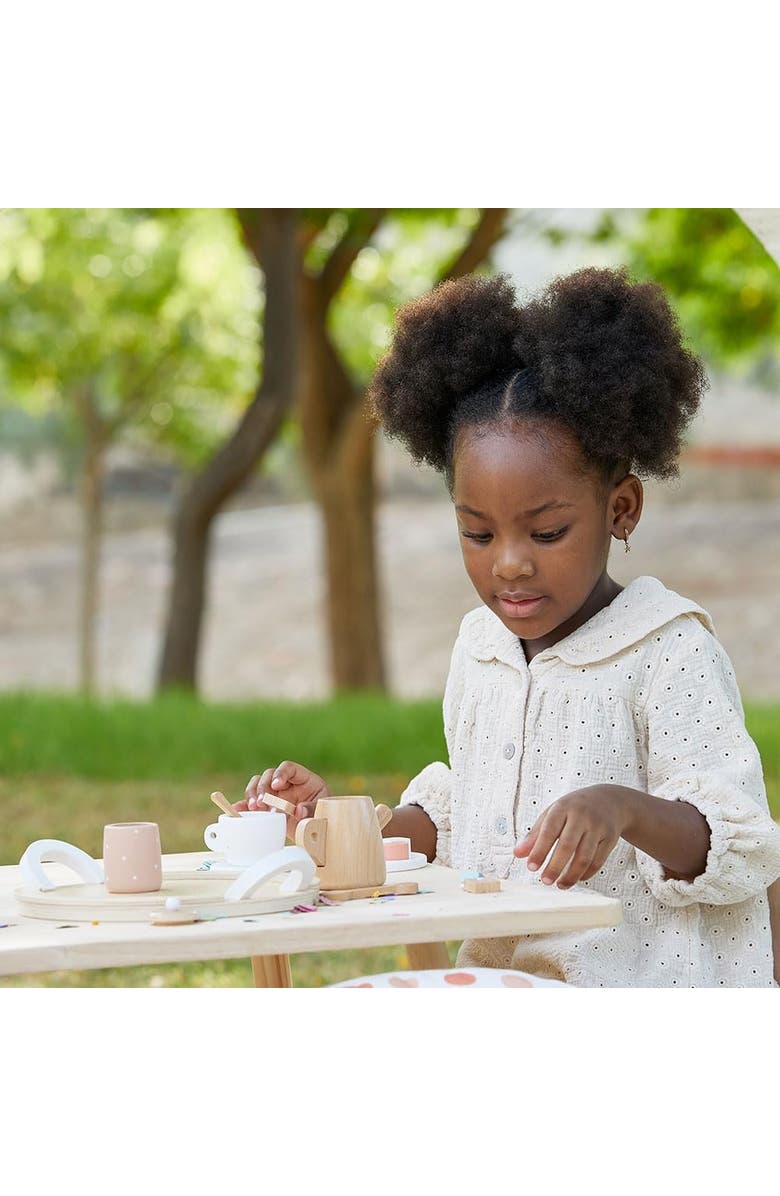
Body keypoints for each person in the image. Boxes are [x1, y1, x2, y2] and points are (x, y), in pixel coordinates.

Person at [235, 266, 780, 988]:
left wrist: (621, 808)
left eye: (547, 533)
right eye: (478, 533)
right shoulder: (482, 651)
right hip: (501, 981)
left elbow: (739, 846)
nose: (511, 565)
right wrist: (329, 824)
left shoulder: (668, 649)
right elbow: (470, 817)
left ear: (621, 509)